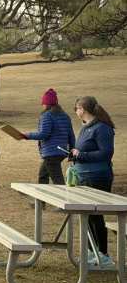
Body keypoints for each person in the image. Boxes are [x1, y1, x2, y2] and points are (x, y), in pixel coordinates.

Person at [70, 96, 116, 268]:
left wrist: (82, 155)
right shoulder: (85, 128)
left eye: (77, 108)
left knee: (96, 216)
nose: (76, 111)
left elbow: (106, 153)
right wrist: (74, 155)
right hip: (83, 176)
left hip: (97, 176)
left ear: (83, 109)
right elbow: (82, 149)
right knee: (87, 216)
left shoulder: (102, 128)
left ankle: (103, 254)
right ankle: (91, 251)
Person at [21, 88, 76, 185]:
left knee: (58, 180)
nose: (42, 105)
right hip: (62, 151)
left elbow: (43, 134)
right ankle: (42, 195)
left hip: (51, 153)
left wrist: (27, 135)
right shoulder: (65, 116)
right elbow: (71, 135)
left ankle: (63, 195)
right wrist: (72, 150)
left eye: (43, 103)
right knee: (43, 175)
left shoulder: (47, 115)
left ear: (46, 104)